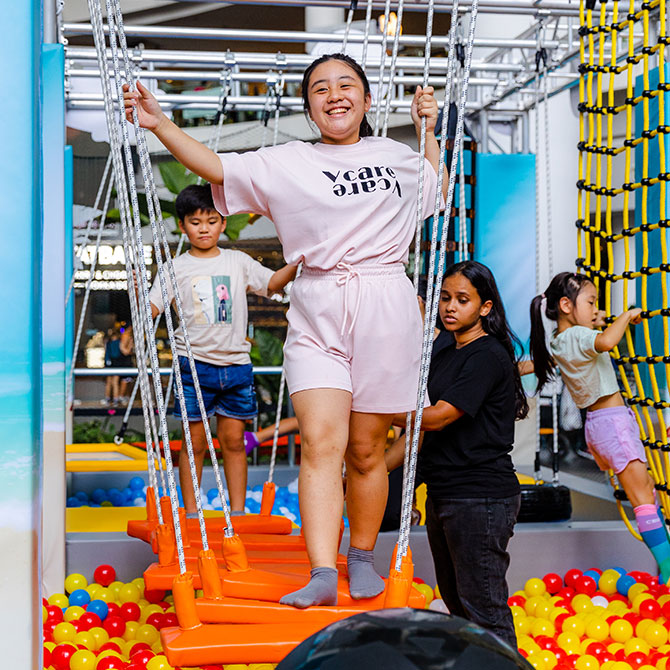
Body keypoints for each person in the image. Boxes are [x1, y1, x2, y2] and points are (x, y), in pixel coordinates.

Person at [124, 52, 446, 608]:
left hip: (384, 301)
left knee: (368, 451)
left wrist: (428, 132)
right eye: (320, 88)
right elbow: (217, 167)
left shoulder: (398, 156)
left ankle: (361, 556)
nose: (335, 94)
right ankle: (323, 570)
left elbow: (434, 191)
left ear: (368, 101)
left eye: (347, 84)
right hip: (317, 301)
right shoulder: (287, 161)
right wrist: (159, 124)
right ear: (309, 107)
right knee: (322, 443)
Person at [385, 261, 528, 646]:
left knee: (484, 608)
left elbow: (438, 417)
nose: (450, 307)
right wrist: (369, 471)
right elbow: (416, 433)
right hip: (446, 493)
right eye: (445, 298)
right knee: (457, 604)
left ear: (485, 307)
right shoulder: (445, 349)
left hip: (481, 496)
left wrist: (374, 410)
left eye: (462, 300)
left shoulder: (487, 355)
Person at [148, 184, 296, 517]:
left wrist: (299, 262)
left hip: (236, 365)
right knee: (194, 444)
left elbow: (272, 284)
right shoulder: (176, 268)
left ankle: (239, 512)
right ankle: (190, 514)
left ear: (223, 224)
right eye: (195, 221)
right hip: (193, 366)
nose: (204, 228)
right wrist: (138, 295)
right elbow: (152, 308)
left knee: (233, 443)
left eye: (211, 220)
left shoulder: (237, 262)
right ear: (183, 226)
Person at [530, 271, 670, 583]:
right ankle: (669, 571)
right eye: (591, 302)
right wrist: (626, 316)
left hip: (597, 427)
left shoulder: (559, 341)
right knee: (643, 500)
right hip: (613, 424)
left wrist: (596, 318)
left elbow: (590, 337)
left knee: (645, 490)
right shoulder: (579, 337)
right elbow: (606, 341)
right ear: (566, 305)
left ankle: (665, 568)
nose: (596, 308)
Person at [104, 322, 134, 406]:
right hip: (116, 361)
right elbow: (124, 351)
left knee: (110, 382)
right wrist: (130, 346)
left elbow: (107, 352)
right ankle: (117, 398)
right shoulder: (121, 339)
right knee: (116, 381)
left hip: (110, 361)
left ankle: (109, 398)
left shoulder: (108, 341)